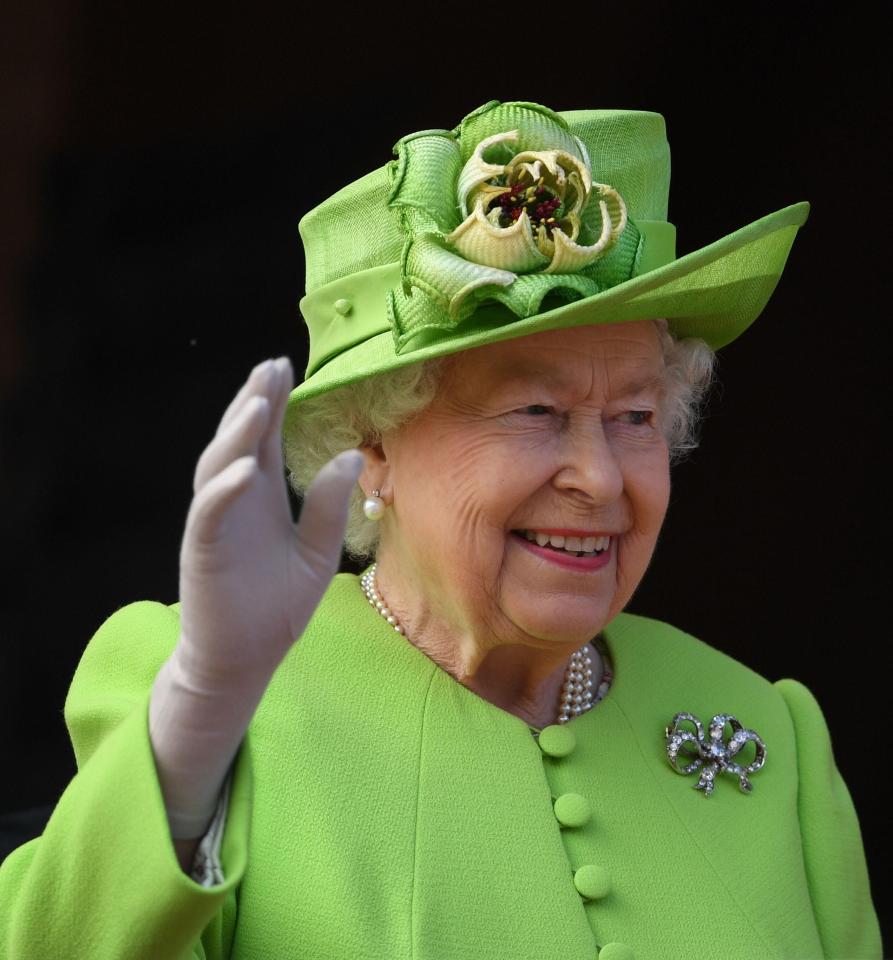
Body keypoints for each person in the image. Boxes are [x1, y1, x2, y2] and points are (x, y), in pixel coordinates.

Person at [0, 99, 882, 959]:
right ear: (372, 445)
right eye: (535, 410)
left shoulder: (767, 729)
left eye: (636, 417)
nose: (601, 477)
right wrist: (197, 722)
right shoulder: (211, 695)